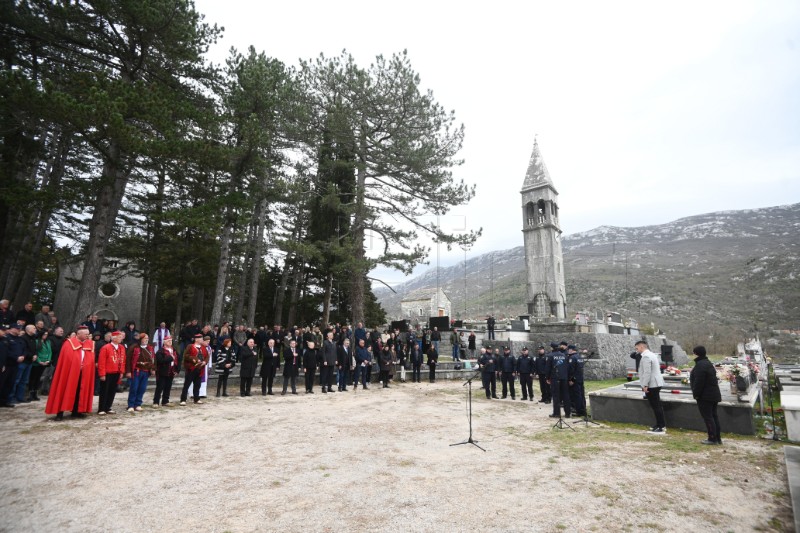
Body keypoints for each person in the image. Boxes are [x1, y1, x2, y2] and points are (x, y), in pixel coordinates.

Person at [45, 325, 95, 420]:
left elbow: (90, 359)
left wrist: (85, 365)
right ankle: (59, 413)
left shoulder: (89, 344)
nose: (88, 336)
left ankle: (76, 411)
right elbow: (67, 359)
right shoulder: (69, 343)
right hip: (69, 373)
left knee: (79, 391)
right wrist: (76, 365)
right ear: (79, 334)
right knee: (64, 389)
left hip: (82, 373)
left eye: (88, 334)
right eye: (86, 334)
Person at [690, 345, 722, 445]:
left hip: (705, 396)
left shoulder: (700, 365)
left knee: (708, 417)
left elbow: (699, 382)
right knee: (713, 416)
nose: (692, 355)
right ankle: (717, 438)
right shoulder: (707, 363)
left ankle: (712, 438)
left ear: (696, 354)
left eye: (693, 353)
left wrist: (696, 394)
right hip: (713, 394)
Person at [636, 340, 666, 434]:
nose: (636, 350)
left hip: (652, 384)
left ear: (641, 347)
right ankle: (659, 425)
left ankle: (661, 427)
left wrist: (645, 385)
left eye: (637, 348)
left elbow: (647, 372)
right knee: (657, 406)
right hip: (656, 383)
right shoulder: (652, 354)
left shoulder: (646, 356)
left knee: (656, 406)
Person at [97, 330, 126, 414]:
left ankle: (108, 407)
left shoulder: (121, 347)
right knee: (104, 390)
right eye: (120, 337)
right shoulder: (106, 347)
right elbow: (101, 362)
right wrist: (102, 374)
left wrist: (121, 372)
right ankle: (101, 408)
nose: (121, 339)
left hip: (117, 372)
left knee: (112, 390)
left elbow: (123, 360)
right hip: (107, 372)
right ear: (114, 338)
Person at [126, 333, 155, 412]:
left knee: (142, 388)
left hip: (146, 371)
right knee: (134, 388)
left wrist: (153, 369)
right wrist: (128, 371)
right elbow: (128, 360)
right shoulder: (134, 347)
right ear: (141, 339)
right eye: (145, 338)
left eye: (147, 338)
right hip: (136, 371)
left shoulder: (150, 348)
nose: (146, 340)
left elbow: (153, 359)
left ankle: (138, 404)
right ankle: (131, 405)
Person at [180, 333, 206, 405]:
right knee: (187, 385)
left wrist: (205, 362)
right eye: (201, 339)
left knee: (197, 385)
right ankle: (183, 399)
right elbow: (186, 355)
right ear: (196, 339)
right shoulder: (190, 346)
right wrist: (194, 359)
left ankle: (196, 398)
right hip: (191, 368)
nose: (202, 340)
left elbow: (207, 356)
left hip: (200, 368)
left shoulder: (203, 347)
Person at [548, 342, 571, 418]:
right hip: (564, 378)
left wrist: (547, 378)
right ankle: (568, 413)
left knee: (556, 396)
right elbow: (567, 367)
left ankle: (557, 413)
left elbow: (548, 368)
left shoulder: (550, 356)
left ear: (552, 348)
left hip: (555, 378)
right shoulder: (564, 355)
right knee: (565, 395)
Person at [153, 336, 178, 407]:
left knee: (168, 387)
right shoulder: (160, 351)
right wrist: (170, 358)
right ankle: (156, 402)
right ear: (164, 342)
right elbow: (160, 360)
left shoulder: (174, 350)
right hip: (162, 371)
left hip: (171, 371)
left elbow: (177, 360)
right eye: (168, 341)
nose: (170, 342)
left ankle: (165, 401)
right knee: (160, 387)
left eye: (171, 340)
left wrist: (176, 369)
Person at [29, 329, 52, 401]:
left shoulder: (48, 342)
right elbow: (36, 352)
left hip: (45, 361)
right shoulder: (36, 341)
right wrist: (39, 361)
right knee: (33, 378)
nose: (45, 336)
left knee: (38, 378)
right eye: (44, 334)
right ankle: (31, 394)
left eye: (46, 335)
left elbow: (50, 352)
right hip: (37, 362)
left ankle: (35, 393)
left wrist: (48, 360)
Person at [567, 345, 586, 416]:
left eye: (569, 349)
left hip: (574, 380)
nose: (568, 351)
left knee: (576, 395)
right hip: (580, 378)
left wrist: (570, 379)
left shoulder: (572, 358)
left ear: (571, 350)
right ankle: (583, 409)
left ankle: (579, 411)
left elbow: (571, 370)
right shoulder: (580, 357)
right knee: (582, 395)